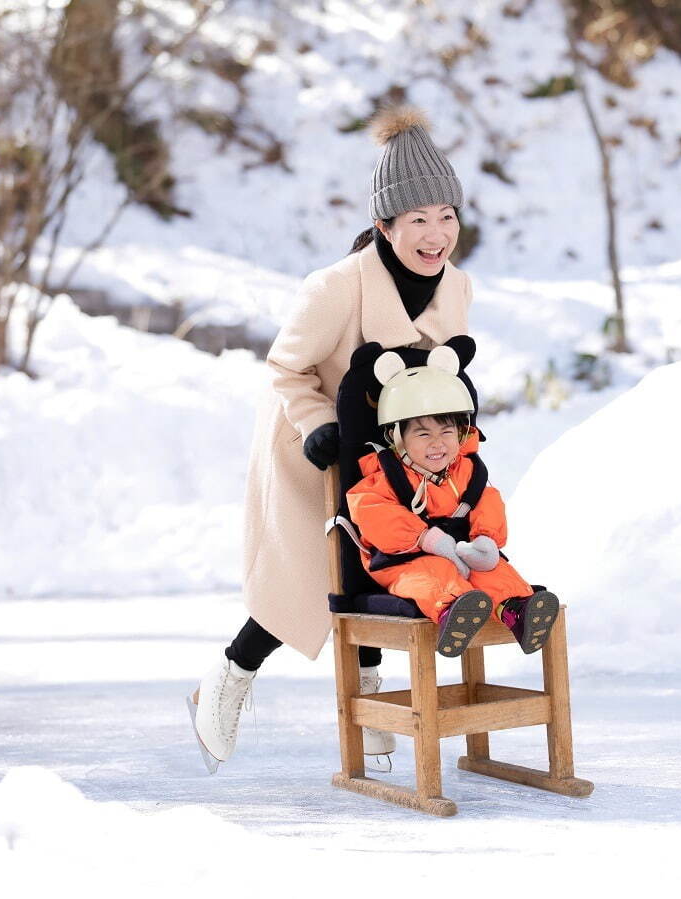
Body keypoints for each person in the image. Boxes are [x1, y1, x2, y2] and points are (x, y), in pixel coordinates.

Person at [188, 106, 473, 774]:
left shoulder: (456, 285)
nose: (435, 235)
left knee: (381, 565)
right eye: (417, 221)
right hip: (314, 444)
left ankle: (363, 700)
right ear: (384, 225)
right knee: (317, 577)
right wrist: (319, 426)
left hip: (396, 450)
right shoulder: (335, 288)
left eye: (446, 217)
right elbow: (285, 366)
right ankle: (227, 678)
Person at [346, 348, 560, 659]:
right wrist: (430, 540)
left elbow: (487, 500)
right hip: (405, 562)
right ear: (397, 438)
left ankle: (518, 611)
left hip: (464, 553)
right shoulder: (383, 479)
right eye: (423, 433)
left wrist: (485, 540)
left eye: (446, 431)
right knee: (434, 574)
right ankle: (453, 614)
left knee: (494, 571)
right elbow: (376, 517)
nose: (437, 443)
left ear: (460, 433)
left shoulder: (466, 471)